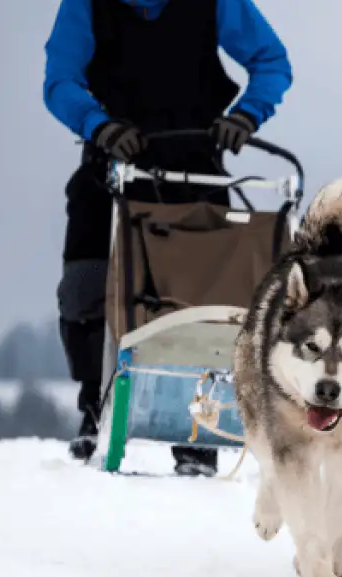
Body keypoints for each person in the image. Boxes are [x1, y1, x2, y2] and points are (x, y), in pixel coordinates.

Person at [42, 0, 292, 476]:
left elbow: (271, 62)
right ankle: (95, 408)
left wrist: (246, 116)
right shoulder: (86, 5)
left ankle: (200, 431)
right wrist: (98, 126)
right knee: (85, 290)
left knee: (199, 306)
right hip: (109, 166)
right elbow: (60, 81)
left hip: (195, 172)